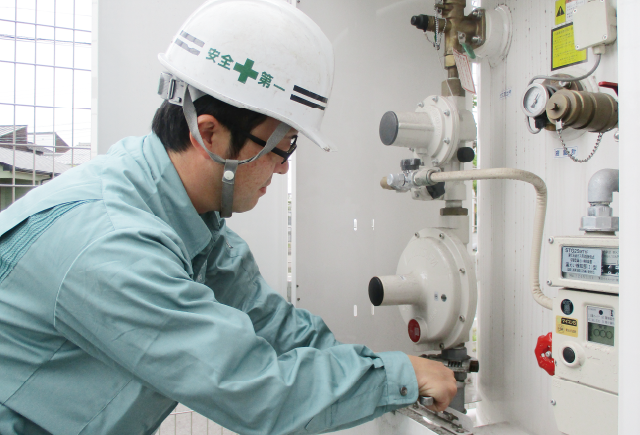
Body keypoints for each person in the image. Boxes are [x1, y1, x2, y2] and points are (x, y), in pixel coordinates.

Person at [0, 1, 457, 434]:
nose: (284, 168)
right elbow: (251, 389)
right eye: (280, 148)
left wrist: (385, 372)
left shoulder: (189, 222)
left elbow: (275, 327)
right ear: (209, 134)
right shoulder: (111, 246)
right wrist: (396, 376)